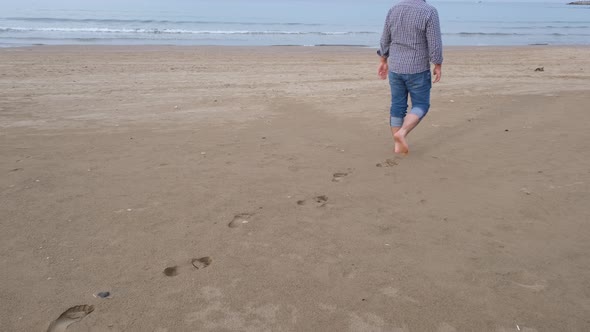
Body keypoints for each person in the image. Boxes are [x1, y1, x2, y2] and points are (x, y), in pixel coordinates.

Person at [377, 0, 443, 155]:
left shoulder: (394, 9)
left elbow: (385, 37)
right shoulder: (429, 11)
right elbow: (435, 43)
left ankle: (397, 145)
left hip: (396, 67)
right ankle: (402, 133)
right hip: (417, 68)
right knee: (421, 105)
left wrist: (383, 59)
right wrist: (437, 63)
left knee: (397, 106)